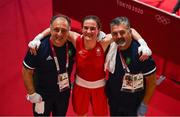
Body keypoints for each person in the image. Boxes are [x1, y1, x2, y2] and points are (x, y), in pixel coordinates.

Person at [28, 15, 152, 116]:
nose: (89, 31)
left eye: (93, 28)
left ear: (98, 30)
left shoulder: (104, 42)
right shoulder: (76, 39)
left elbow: (131, 30)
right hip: (80, 87)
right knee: (82, 114)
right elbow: (53, 28)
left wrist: (143, 43)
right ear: (81, 29)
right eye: (86, 28)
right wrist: (37, 38)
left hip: (99, 88)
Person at [22, 14, 76, 116]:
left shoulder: (73, 45)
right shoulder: (37, 47)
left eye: (64, 30)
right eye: (56, 29)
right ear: (50, 28)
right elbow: (26, 70)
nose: (59, 34)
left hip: (63, 94)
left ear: (69, 31)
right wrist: (32, 93)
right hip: (42, 96)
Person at [105, 16, 156, 116]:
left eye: (122, 32)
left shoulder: (141, 53)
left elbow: (152, 82)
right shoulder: (111, 47)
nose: (119, 36)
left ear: (129, 32)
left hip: (133, 107)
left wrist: (144, 105)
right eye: (115, 33)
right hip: (114, 102)